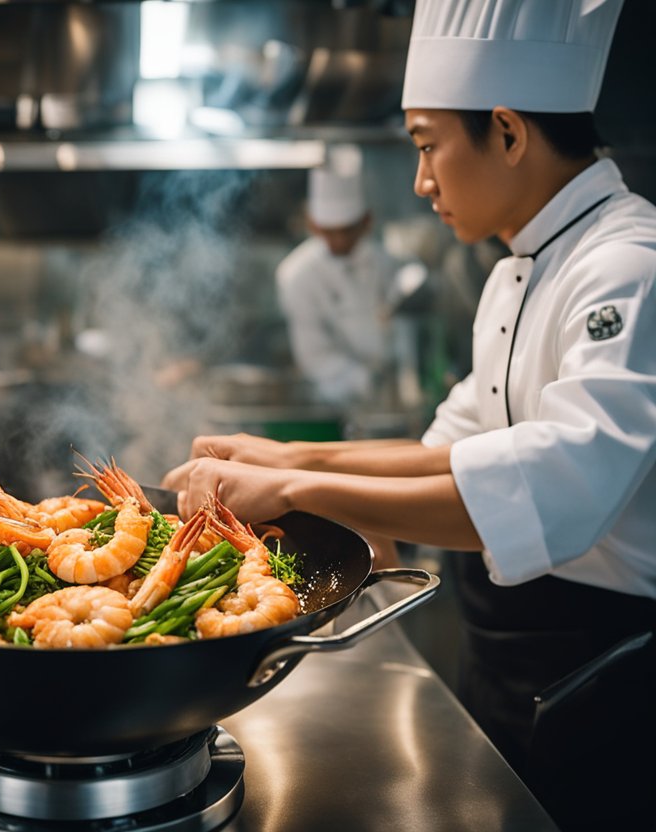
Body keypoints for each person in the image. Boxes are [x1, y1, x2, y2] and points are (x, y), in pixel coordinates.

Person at [163, 0, 654, 827]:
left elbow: (557, 489)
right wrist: (288, 458)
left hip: (609, 664)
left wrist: (288, 492)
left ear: (506, 130)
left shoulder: (627, 268)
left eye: (428, 145)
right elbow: (454, 449)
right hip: (512, 650)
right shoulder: (516, 272)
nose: (421, 181)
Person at [275, 144, 420, 406]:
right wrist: (366, 381)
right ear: (313, 225)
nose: (340, 240)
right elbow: (314, 355)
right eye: (331, 231)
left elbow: (403, 322)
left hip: (393, 392)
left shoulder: (386, 262)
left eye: (348, 230)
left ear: (366, 222)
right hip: (334, 397)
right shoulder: (296, 275)